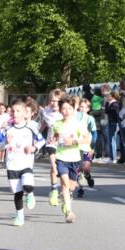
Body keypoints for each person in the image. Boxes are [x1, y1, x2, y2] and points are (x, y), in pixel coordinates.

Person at [50, 95, 91, 223]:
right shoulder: (56, 124)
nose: (66, 111)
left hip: (75, 158)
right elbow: (54, 137)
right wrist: (53, 140)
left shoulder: (78, 125)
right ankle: (69, 211)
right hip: (61, 158)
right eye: (63, 108)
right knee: (65, 184)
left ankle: (65, 199)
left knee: (71, 187)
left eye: (69, 108)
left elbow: (87, 139)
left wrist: (73, 141)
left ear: (74, 110)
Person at [5, 99, 45, 225]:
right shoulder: (7, 130)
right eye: (13, 111)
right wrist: (5, 142)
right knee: (17, 193)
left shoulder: (30, 128)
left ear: (24, 113)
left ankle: (31, 194)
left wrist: (34, 148)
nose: (15, 113)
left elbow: (42, 140)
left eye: (18, 111)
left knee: (27, 185)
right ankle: (19, 216)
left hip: (26, 163)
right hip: (12, 164)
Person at [76, 96, 97, 197]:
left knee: (86, 168)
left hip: (87, 146)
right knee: (78, 169)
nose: (82, 109)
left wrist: (92, 147)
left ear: (88, 109)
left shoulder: (90, 119)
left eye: (84, 107)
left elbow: (94, 133)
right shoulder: (74, 117)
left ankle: (88, 177)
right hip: (76, 146)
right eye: (81, 107)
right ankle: (80, 189)